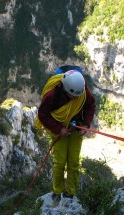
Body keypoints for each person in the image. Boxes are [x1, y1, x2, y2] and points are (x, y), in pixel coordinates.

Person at [35, 65, 96, 202]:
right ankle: (57, 191)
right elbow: (43, 114)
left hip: (76, 127)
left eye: (77, 96)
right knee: (59, 162)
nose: (76, 99)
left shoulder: (82, 91)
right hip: (59, 128)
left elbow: (90, 105)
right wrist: (59, 129)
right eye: (72, 96)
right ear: (65, 89)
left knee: (74, 161)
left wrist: (86, 124)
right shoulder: (52, 95)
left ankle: (71, 193)